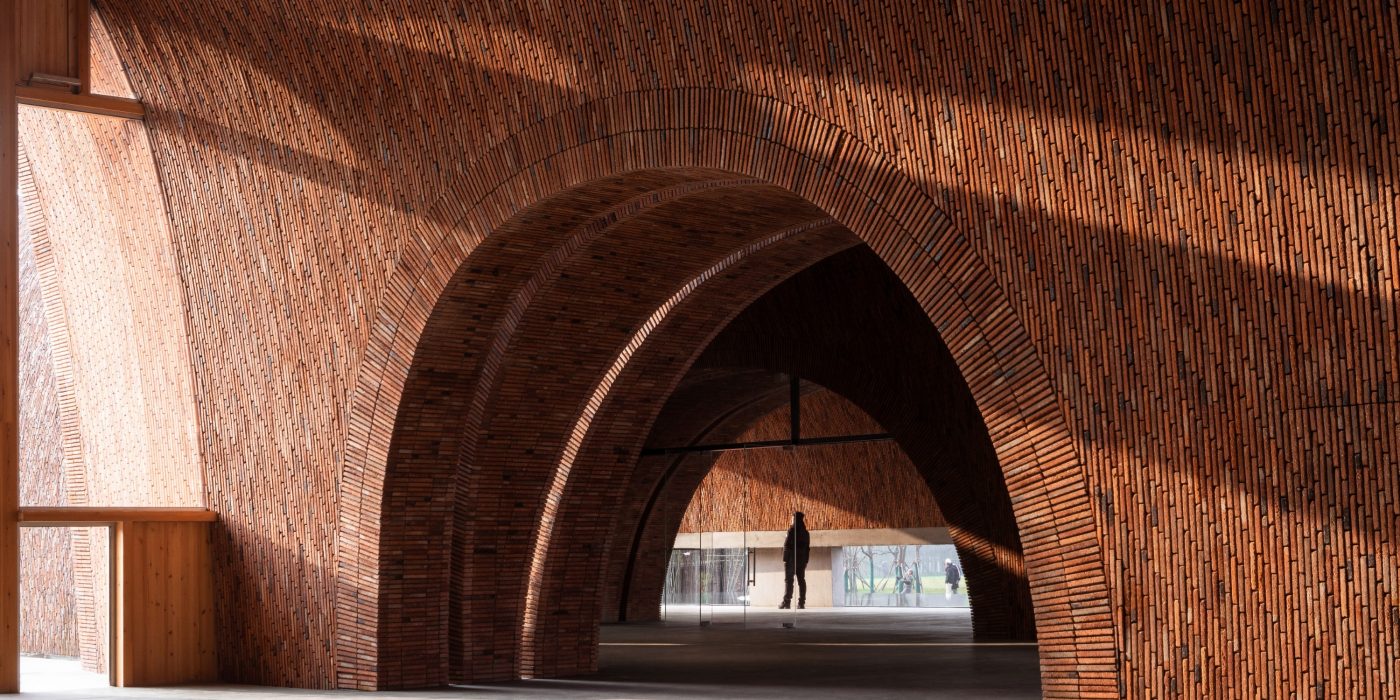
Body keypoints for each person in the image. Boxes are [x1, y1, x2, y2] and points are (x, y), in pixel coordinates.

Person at [779, 511, 811, 609]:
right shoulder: (806, 533)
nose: (791, 520)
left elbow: (786, 545)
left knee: (789, 581)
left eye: (792, 518)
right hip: (801, 560)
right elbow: (807, 548)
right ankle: (801, 603)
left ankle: (786, 602)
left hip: (791, 560)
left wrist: (785, 559)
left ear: (795, 519)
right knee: (801, 581)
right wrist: (806, 561)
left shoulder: (791, 531)